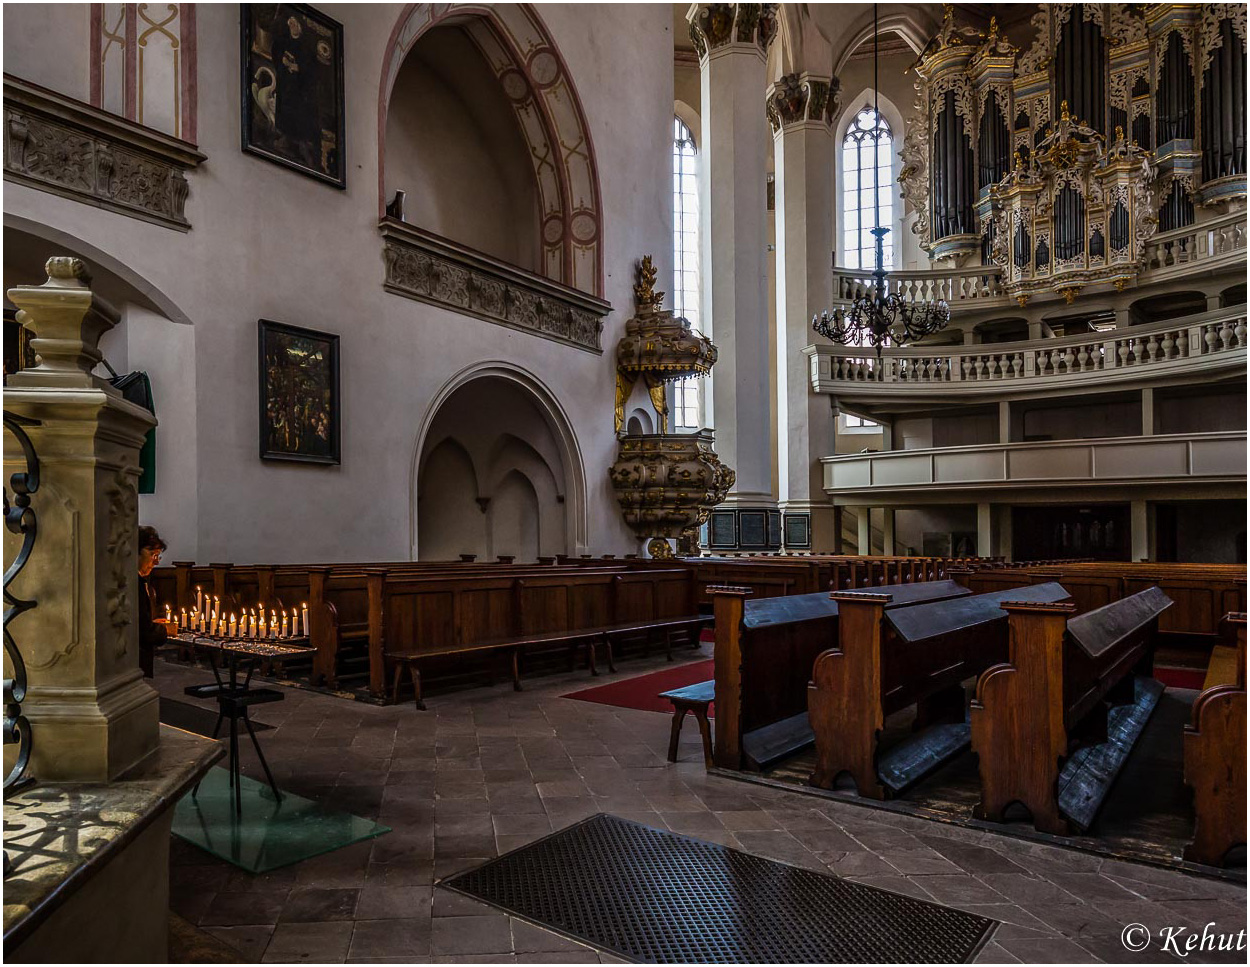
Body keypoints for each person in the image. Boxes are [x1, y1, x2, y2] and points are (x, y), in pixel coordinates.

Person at [137, 525, 168, 677]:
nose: (156, 562)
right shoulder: (134, 583)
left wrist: (155, 622)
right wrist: (164, 630)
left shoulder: (141, 581)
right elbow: (143, 630)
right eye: (152, 555)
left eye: (158, 556)